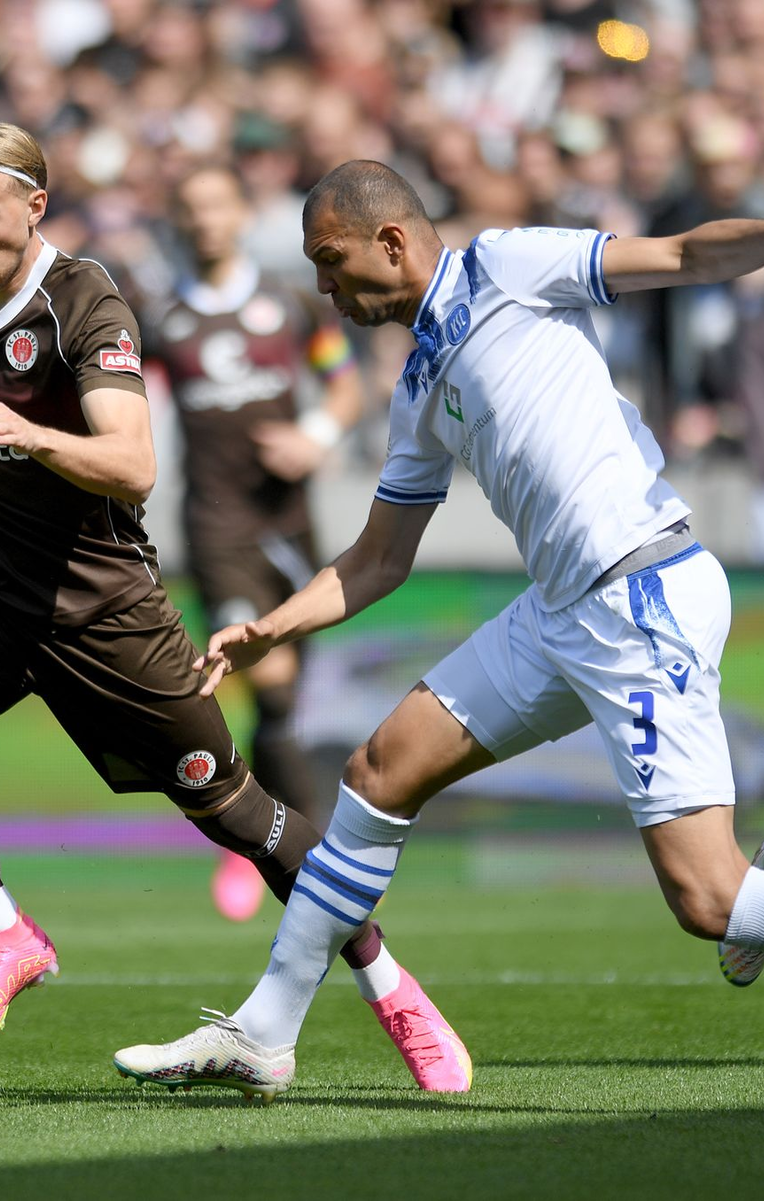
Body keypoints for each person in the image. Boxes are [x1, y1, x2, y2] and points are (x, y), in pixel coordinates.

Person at [0, 123, 471, 1094]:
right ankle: (4, 935)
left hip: (104, 612)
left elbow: (134, 460)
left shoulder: (85, 299)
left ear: (35, 206)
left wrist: (32, 434)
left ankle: (389, 983)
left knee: (241, 812)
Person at [113, 158, 764, 1100]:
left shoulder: (507, 265)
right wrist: (274, 629)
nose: (324, 287)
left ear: (393, 239)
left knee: (707, 899)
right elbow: (378, 558)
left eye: (331, 261)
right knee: (380, 770)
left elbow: (681, 252)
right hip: (559, 609)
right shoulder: (418, 383)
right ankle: (263, 1033)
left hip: (638, 593)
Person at [148, 164, 364, 921]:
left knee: (288, 698)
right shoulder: (162, 318)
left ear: (240, 212)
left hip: (292, 523)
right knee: (264, 682)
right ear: (178, 219)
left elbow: (345, 385)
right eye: (191, 206)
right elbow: (129, 411)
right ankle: (312, 855)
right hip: (218, 525)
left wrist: (316, 433)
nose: (205, 219)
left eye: (217, 203)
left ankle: (258, 831)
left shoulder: (292, 305)